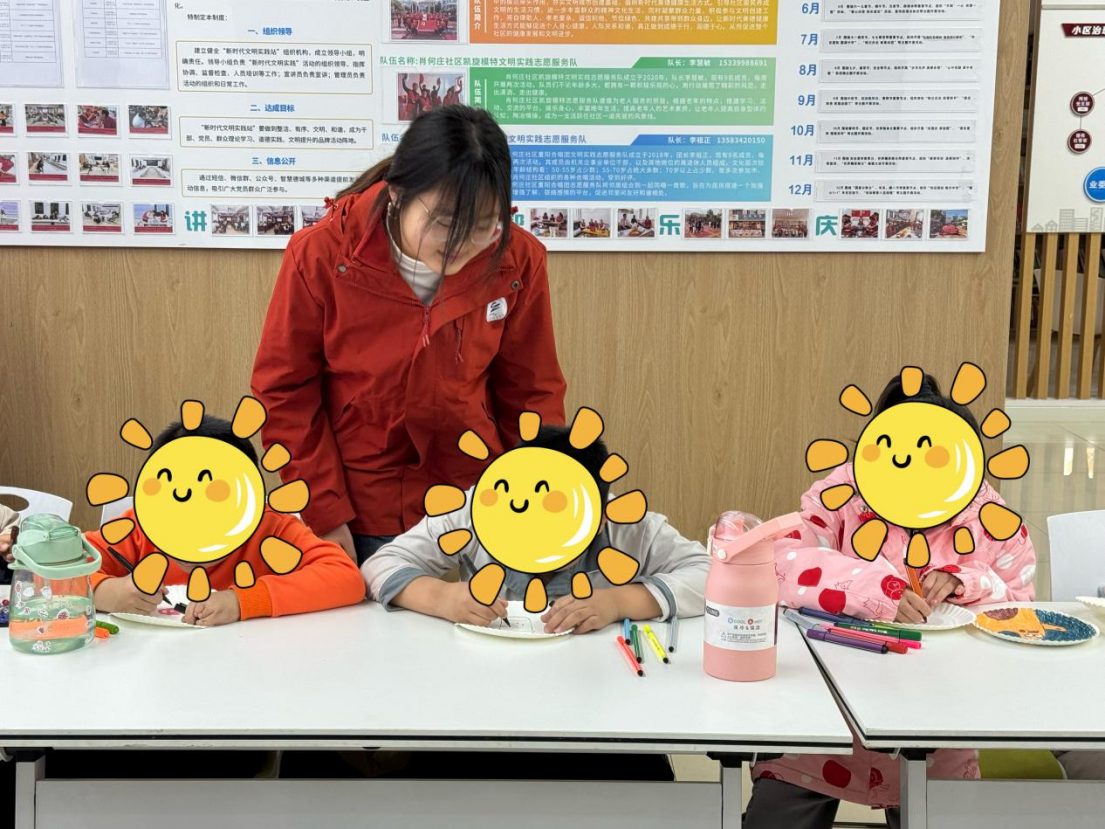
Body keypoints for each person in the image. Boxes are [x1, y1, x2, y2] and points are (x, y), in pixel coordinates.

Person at [251, 105, 566, 568]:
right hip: (360, 509)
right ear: (398, 194)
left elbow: (532, 392)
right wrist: (324, 512)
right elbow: (284, 392)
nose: (462, 244)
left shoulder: (517, 259)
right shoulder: (321, 254)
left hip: (478, 500)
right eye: (445, 222)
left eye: (483, 225)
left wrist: (534, 492)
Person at [743, 373, 1037, 829]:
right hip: (823, 724)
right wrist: (874, 590)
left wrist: (966, 580)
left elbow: (1022, 610)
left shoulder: (986, 513)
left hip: (939, 726)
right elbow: (780, 563)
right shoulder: (843, 491)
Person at [363, 425, 709, 632]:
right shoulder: (473, 511)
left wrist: (619, 602)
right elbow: (379, 565)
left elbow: (710, 574)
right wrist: (442, 598)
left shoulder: (630, 525)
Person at [85, 416, 366, 627]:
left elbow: (346, 577)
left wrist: (242, 602)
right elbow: (61, 564)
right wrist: (104, 592)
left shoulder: (271, 528)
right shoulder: (139, 527)